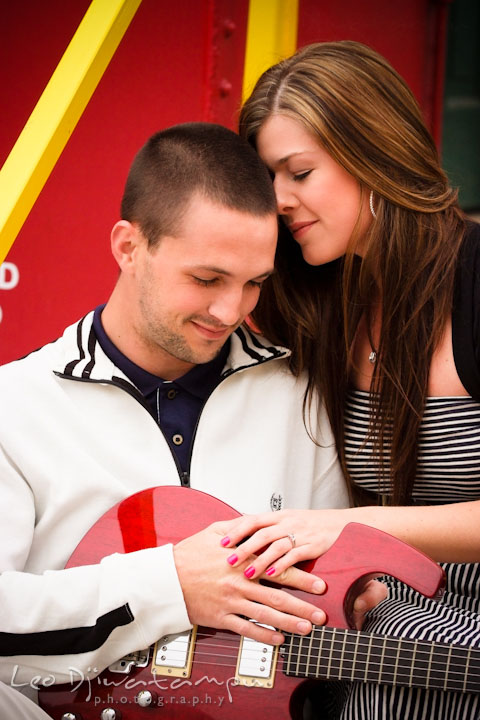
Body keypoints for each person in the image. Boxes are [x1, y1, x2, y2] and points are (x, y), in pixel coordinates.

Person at [0, 122, 359, 716]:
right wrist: (169, 587)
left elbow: (332, 599)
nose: (230, 311)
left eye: (253, 284)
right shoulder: (15, 405)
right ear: (128, 246)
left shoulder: (302, 398)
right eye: (206, 278)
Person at [221, 41, 480, 719]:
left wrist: (345, 530)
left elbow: (347, 519)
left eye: (299, 172)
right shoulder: (319, 300)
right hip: (381, 612)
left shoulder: (476, 276)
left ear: (374, 150)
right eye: (266, 180)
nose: (278, 199)